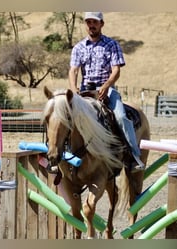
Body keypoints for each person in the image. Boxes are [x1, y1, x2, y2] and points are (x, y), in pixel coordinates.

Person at [68, 12, 145, 171]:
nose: (91, 25)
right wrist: (73, 88)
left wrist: (107, 85)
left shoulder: (112, 44)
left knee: (121, 117)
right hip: (85, 92)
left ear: (101, 24)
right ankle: (61, 155)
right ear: (85, 24)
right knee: (66, 116)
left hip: (107, 90)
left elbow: (116, 70)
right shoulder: (78, 48)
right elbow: (73, 70)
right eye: (88, 22)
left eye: (94, 22)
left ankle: (133, 156)